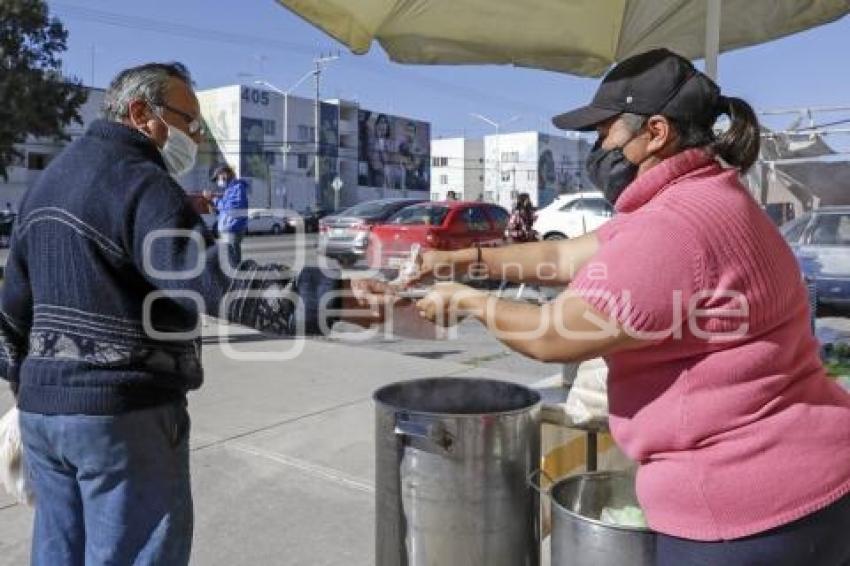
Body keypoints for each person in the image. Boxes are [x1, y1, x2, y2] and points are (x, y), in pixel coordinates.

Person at [395, 49, 850, 565]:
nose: (597, 148)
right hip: (814, 482)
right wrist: (461, 260)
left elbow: (551, 333)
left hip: (745, 512)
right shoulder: (709, 198)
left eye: (606, 132)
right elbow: (560, 254)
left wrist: (470, 302)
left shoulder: (673, 227)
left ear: (655, 132)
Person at [0, 61, 391, 566]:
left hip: (43, 416)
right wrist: (329, 298)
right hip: (120, 417)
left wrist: (26, 392)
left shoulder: (45, 185)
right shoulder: (140, 181)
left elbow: (10, 309)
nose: (195, 135)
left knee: (58, 555)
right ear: (142, 113)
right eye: (190, 121)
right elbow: (209, 277)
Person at [211, 164, 248, 263]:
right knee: (229, 260)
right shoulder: (230, 189)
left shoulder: (238, 187)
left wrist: (215, 200)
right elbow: (226, 209)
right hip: (229, 229)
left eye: (217, 178)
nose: (218, 181)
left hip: (232, 229)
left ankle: (235, 276)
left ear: (224, 174)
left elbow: (233, 209)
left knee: (233, 261)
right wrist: (216, 210)